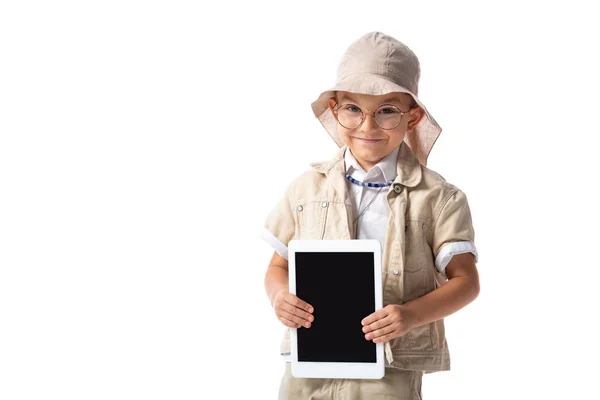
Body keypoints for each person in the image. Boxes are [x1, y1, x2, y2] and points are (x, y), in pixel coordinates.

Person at [260, 31, 480, 400]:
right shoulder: (305, 189)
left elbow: (466, 282)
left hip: (388, 367)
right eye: (353, 109)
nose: (368, 126)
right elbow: (277, 268)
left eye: (387, 111)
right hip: (308, 363)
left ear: (412, 117)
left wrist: (410, 315)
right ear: (335, 110)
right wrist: (279, 297)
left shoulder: (439, 198)